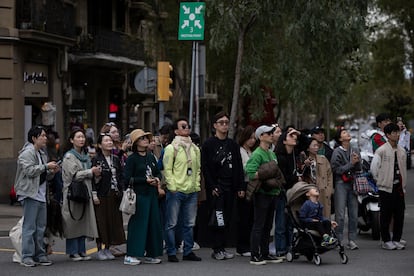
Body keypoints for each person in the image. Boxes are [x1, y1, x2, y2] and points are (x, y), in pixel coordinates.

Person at [201, 111, 244, 260]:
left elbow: (238, 166)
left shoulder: (232, 144)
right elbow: (205, 168)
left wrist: (240, 187)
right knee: (217, 217)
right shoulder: (208, 144)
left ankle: (223, 247)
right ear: (215, 126)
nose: (224, 125)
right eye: (221, 123)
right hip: (217, 187)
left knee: (227, 217)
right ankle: (217, 248)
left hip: (231, 187)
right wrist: (212, 186)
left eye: (226, 122)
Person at [14, 126, 59, 267]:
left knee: (41, 227)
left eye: (45, 136)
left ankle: (40, 255)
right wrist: (46, 167)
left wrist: (52, 171)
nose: (45, 138)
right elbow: (29, 171)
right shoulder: (27, 152)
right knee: (30, 227)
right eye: (42, 136)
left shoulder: (41, 153)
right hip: (30, 194)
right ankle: (27, 256)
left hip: (40, 194)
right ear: (34, 138)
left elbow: (42, 175)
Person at [163, 118, 202, 262]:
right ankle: (171, 251)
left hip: (191, 191)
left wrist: (196, 185)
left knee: (190, 224)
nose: (187, 128)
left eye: (188, 126)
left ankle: (188, 251)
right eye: (183, 126)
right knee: (172, 223)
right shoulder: (171, 148)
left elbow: (197, 169)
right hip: (176, 190)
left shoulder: (194, 148)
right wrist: (172, 187)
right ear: (176, 131)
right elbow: (167, 169)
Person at [123, 129, 163, 265]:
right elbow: (127, 179)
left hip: (152, 195)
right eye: (142, 138)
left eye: (146, 138)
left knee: (153, 224)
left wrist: (157, 179)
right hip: (139, 196)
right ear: (136, 143)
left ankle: (151, 253)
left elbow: (158, 172)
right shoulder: (131, 159)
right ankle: (131, 254)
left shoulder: (151, 156)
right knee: (138, 225)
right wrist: (144, 180)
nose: (146, 140)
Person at [245, 125, 284, 265]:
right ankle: (255, 255)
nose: (271, 135)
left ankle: (265, 253)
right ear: (261, 136)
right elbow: (250, 172)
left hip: (273, 193)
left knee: (268, 226)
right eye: (268, 133)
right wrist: (266, 174)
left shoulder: (272, 153)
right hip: (262, 194)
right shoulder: (257, 154)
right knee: (259, 225)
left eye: (272, 132)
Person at [61, 128, 100, 261]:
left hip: (84, 192)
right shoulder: (69, 156)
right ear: (72, 140)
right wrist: (90, 172)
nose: (81, 139)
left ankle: (81, 250)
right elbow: (74, 175)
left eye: (82, 137)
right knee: (73, 221)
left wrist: (94, 173)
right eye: (78, 137)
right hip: (73, 193)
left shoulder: (85, 156)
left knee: (83, 220)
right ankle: (73, 252)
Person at [370, 123, 407, 250]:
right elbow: (374, 168)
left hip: (399, 188)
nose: (397, 135)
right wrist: (380, 180)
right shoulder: (381, 150)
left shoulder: (401, 150)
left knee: (399, 214)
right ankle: (386, 240)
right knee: (385, 215)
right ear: (387, 135)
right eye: (394, 133)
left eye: (398, 132)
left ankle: (396, 239)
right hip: (385, 188)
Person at [91, 133, 126, 260]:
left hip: (115, 194)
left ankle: (108, 248)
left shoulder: (116, 159)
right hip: (102, 194)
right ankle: (100, 249)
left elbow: (121, 176)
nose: (109, 143)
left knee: (112, 222)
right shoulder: (96, 159)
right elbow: (92, 179)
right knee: (101, 222)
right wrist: (94, 194)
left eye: (110, 140)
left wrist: (122, 189)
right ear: (100, 145)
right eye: (106, 141)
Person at [330, 127, 361, 250]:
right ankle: (338, 239)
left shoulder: (355, 149)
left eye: (347, 132)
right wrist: (351, 164)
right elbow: (335, 170)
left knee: (354, 213)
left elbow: (359, 168)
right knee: (340, 214)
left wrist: (357, 162)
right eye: (344, 133)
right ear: (340, 138)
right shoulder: (337, 152)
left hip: (353, 183)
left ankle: (352, 240)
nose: (347, 133)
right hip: (340, 183)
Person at [273, 128, 301, 258]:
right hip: (281, 192)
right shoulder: (279, 156)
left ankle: (290, 248)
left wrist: (297, 133)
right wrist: (297, 179)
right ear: (284, 141)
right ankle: (280, 249)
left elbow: (306, 142)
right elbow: (284, 178)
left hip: (292, 192)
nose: (294, 138)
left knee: (291, 222)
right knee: (281, 221)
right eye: (291, 136)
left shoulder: (293, 154)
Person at [236, 125, 256, 257]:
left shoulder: (253, 152)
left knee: (251, 217)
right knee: (244, 217)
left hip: (254, 185)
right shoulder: (240, 151)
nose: (252, 140)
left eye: (254, 138)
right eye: (250, 138)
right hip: (244, 184)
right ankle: (242, 246)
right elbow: (242, 169)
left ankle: (249, 244)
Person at [302, 137, 333, 218]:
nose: (316, 148)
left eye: (317, 146)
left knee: (325, 217)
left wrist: (328, 190)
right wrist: (305, 165)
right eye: (314, 145)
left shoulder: (323, 159)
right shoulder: (303, 160)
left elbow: (329, 175)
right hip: (311, 192)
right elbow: (302, 176)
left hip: (323, 192)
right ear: (308, 148)